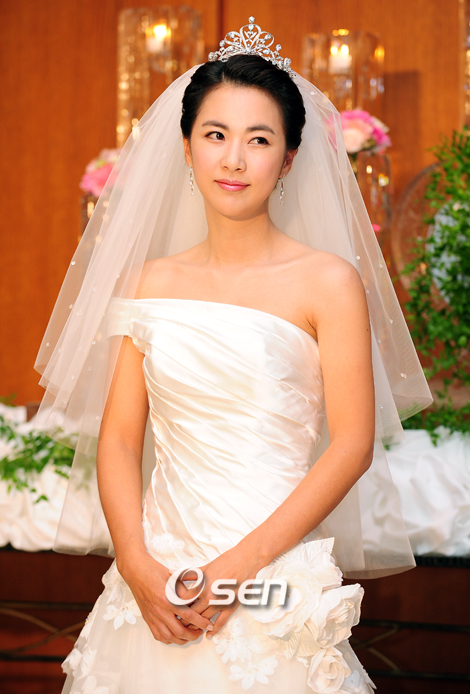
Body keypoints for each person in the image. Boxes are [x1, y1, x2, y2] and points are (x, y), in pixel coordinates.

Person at [34, 17, 432, 694]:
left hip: (269, 578)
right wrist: (134, 562)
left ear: (290, 157)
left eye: (259, 139)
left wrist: (234, 572)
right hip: (154, 580)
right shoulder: (149, 282)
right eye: (216, 135)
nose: (235, 159)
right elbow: (121, 438)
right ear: (187, 147)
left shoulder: (329, 282)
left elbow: (352, 445)